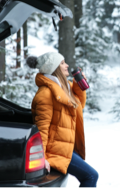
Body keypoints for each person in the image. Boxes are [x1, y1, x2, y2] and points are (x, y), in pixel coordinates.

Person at [26, 52, 98, 188]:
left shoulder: (64, 87)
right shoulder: (45, 94)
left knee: (90, 175)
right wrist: (43, 157)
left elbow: (78, 106)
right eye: (62, 63)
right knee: (91, 175)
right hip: (55, 150)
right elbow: (42, 128)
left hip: (64, 146)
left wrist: (78, 86)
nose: (67, 65)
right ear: (54, 67)